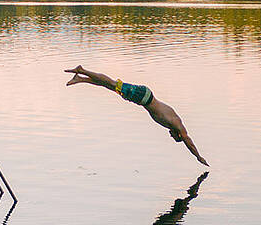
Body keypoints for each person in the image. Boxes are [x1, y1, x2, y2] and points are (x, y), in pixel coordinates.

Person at [64, 66, 208, 166]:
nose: (173, 137)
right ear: (178, 135)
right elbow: (188, 140)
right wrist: (198, 156)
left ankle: (80, 78)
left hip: (143, 98)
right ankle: (82, 70)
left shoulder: (171, 124)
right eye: (176, 138)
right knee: (113, 84)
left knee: (110, 86)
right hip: (143, 97)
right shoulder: (177, 124)